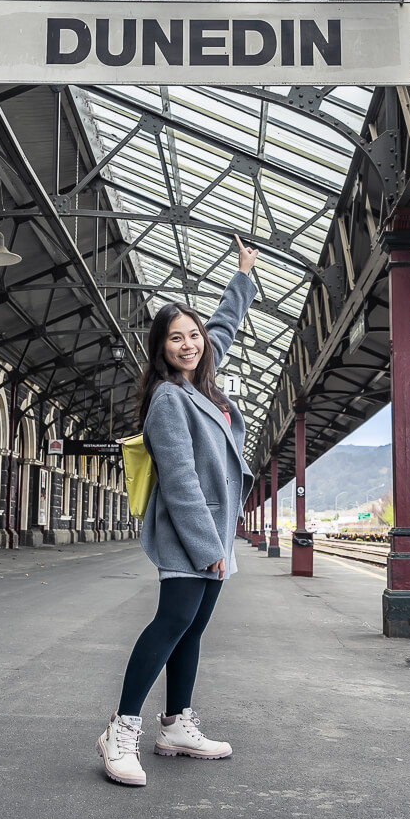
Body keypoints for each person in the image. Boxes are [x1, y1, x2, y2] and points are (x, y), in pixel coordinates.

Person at [96, 234, 259, 786]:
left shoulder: (200, 381)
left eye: (192, 336)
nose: (188, 344)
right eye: (176, 338)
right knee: (170, 623)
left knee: (191, 630)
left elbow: (223, 329)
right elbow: (182, 480)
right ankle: (120, 731)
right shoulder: (168, 399)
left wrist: (243, 277)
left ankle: (176, 724)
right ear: (160, 347)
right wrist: (209, 547)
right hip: (193, 533)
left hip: (214, 532)